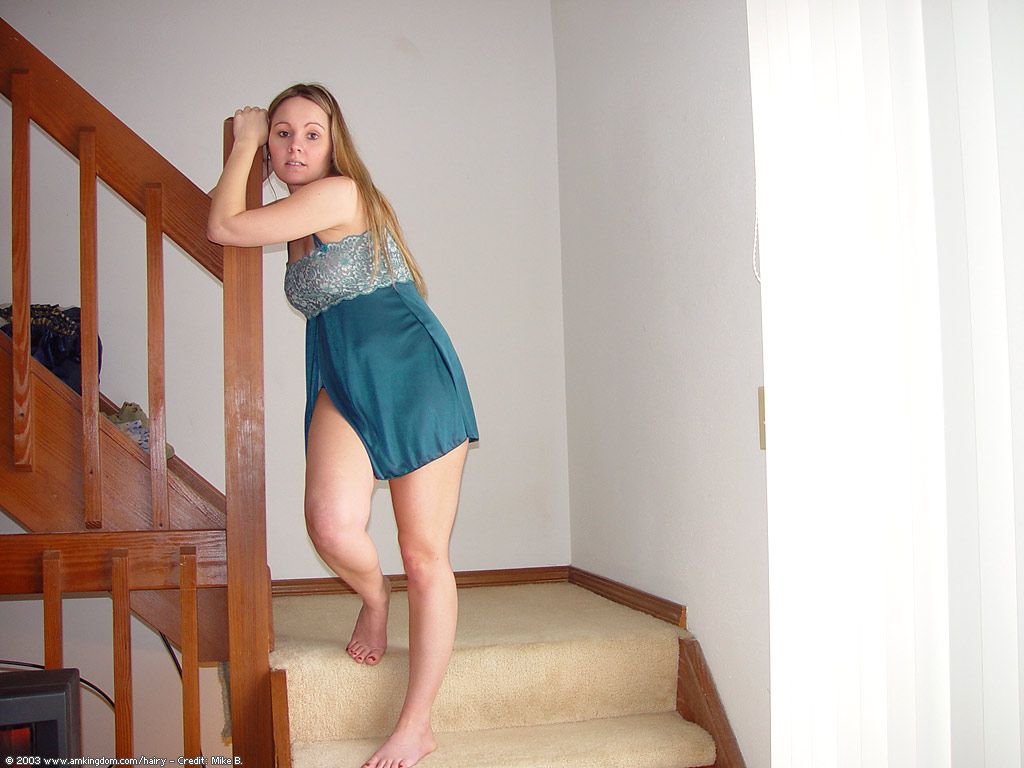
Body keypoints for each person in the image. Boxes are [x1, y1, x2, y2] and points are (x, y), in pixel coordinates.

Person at [207, 83, 479, 768]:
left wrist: (243, 143)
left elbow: (225, 226)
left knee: (424, 554)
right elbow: (232, 216)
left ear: (334, 145)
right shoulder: (296, 217)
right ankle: (373, 597)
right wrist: (250, 158)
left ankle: (416, 724)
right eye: (281, 133)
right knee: (329, 524)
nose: (295, 145)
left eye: (311, 133)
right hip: (341, 376)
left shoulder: (338, 193)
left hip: (411, 370)